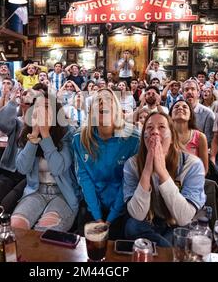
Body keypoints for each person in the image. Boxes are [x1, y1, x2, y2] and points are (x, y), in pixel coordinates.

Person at [123, 111, 206, 246]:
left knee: (184, 235)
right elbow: (137, 214)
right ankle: (166, 249)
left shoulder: (192, 164)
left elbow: (184, 217)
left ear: (172, 137)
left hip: (178, 222)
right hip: (150, 220)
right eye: (149, 127)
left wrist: (162, 172)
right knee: (132, 226)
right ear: (143, 137)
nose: (155, 132)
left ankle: (160, 248)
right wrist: (147, 170)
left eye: (161, 127)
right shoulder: (132, 164)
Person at [11, 84, 81, 232]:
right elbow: (22, 168)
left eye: (47, 107)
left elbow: (58, 168)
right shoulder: (27, 132)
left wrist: (46, 135)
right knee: (16, 226)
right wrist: (35, 135)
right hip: (35, 191)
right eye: (37, 107)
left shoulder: (68, 132)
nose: (41, 111)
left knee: (45, 231)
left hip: (63, 193)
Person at [73, 88, 140, 239]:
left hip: (121, 205)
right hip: (92, 204)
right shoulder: (79, 138)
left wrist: (110, 219)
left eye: (109, 100)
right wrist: (97, 217)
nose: (103, 103)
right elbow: (84, 179)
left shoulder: (133, 139)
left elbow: (128, 183)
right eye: (98, 101)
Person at [170, 99, 208, 174]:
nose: (180, 108)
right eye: (176, 107)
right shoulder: (164, 136)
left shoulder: (200, 137)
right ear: (170, 115)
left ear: (190, 115)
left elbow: (204, 169)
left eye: (184, 107)